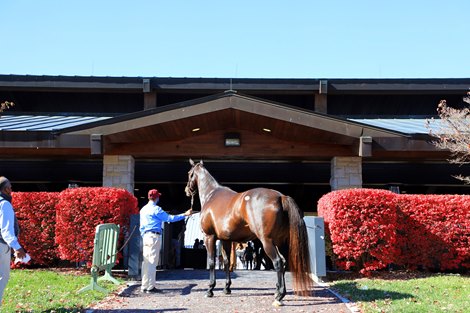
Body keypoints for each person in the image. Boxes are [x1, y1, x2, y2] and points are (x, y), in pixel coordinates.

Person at [139, 189, 192, 293]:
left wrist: (144, 235)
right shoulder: (156, 209)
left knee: (146, 262)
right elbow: (169, 218)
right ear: (157, 198)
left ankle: (144, 285)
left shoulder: (143, 210)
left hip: (145, 236)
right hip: (154, 236)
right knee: (153, 262)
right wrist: (184, 214)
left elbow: (141, 227)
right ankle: (150, 286)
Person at [0, 177, 26, 305]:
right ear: (5, 189)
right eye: (10, 187)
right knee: (2, 277)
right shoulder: (4, 204)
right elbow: (6, 230)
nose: (11, 189)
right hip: (1, 245)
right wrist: (17, 247)